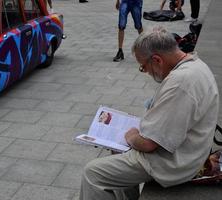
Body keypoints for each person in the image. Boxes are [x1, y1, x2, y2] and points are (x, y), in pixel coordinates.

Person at [80, 26, 219, 200]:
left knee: (93, 173)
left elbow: (148, 144)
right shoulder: (195, 64)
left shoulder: (180, 82)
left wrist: (130, 136)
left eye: (143, 67)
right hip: (190, 151)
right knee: (117, 154)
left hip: (176, 162)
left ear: (157, 60)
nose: (145, 72)